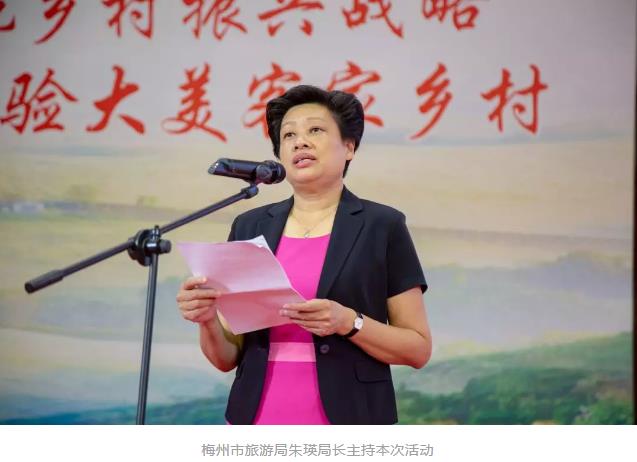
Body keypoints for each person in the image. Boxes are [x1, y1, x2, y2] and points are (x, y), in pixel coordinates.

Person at [176, 85, 432, 424]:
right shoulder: (250, 225)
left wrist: (348, 322)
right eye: (289, 135)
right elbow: (226, 358)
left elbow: (417, 349)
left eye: (315, 130)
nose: (300, 142)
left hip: (350, 418)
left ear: (349, 147)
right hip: (256, 418)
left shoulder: (382, 225)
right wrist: (207, 319)